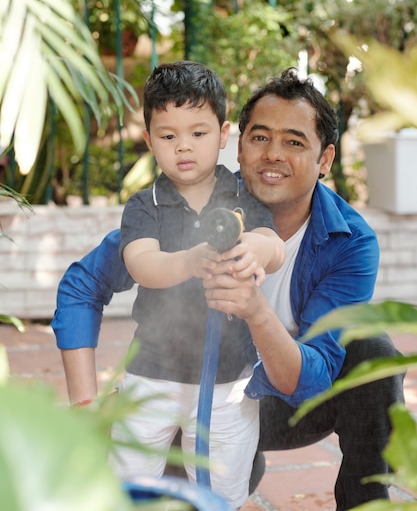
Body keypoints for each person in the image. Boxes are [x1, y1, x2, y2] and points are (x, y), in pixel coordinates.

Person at [52, 68, 405, 510]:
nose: (273, 154)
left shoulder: (349, 241)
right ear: (237, 143)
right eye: (260, 137)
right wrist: (84, 401)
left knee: (374, 352)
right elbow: (82, 286)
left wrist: (256, 311)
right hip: (189, 390)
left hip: (285, 398)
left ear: (326, 158)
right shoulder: (188, 208)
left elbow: (311, 382)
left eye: (294, 142)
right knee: (172, 486)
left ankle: (364, 502)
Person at [90, 60, 286, 509]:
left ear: (223, 134)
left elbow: (270, 242)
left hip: (228, 379)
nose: (184, 147)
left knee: (223, 489)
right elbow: (143, 264)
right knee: (130, 482)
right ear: (149, 140)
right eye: (168, 135)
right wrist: (191, 259)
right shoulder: (145, 205)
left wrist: (258, 251)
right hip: (151, 374)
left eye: (198, 133)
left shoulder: (243, 197)